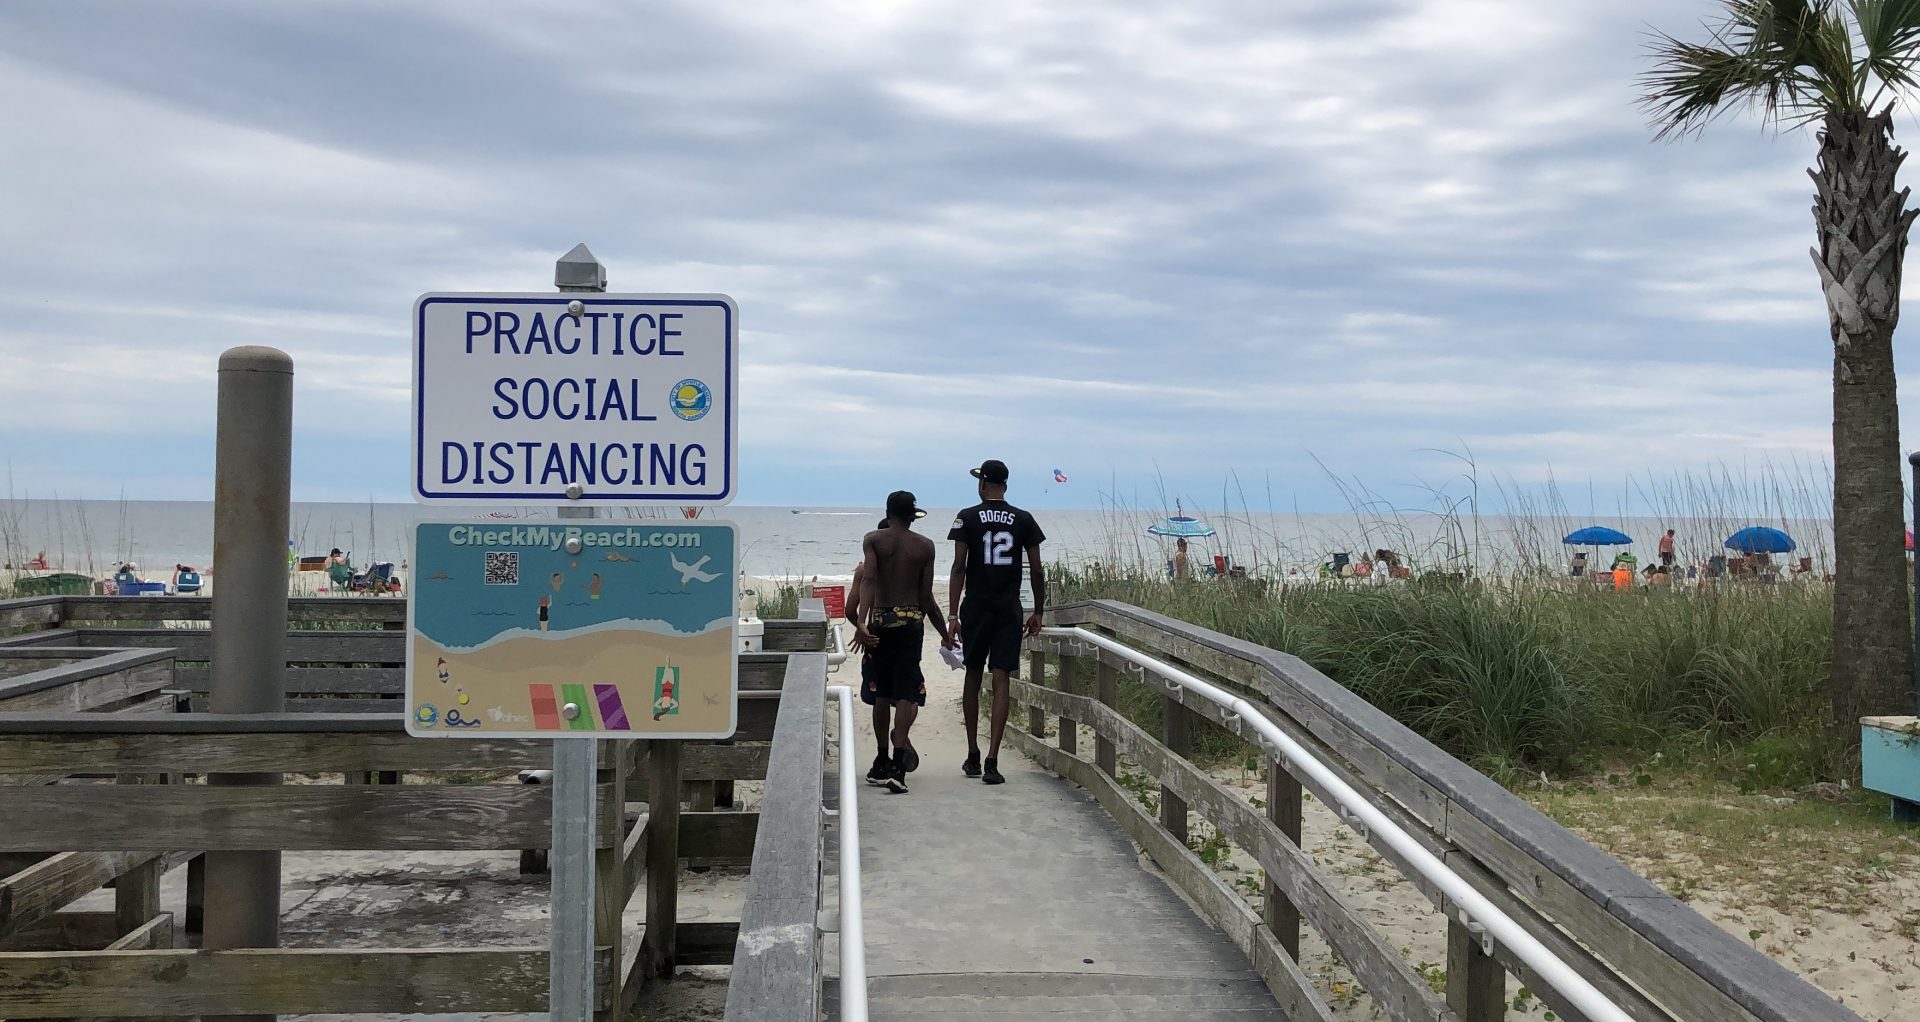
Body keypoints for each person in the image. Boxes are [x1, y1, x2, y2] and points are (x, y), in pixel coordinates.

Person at [949, 459, 1046, 786]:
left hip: (976, 606)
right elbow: (1036, 569)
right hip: (1008, 608)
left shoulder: (967, 517)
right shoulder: (1024, 519)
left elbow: (959, 567)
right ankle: (993, 759)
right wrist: (1039, 610)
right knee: (1002, 677)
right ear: (1005, 485)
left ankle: (972, 752)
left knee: (973, 674)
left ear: (983, 484)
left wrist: (952, 614)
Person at [854, 492, 951, 794]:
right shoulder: (924, 547)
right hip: (911, 623)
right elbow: (926, 598)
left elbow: (869, 579)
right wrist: (944, 631)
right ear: (913, 515)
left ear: (887, 512)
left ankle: (881, 760)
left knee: (881, 694)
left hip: (880, 623)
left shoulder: (874, 540)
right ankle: (898, 765)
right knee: (906, 693)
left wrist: (862, 621)